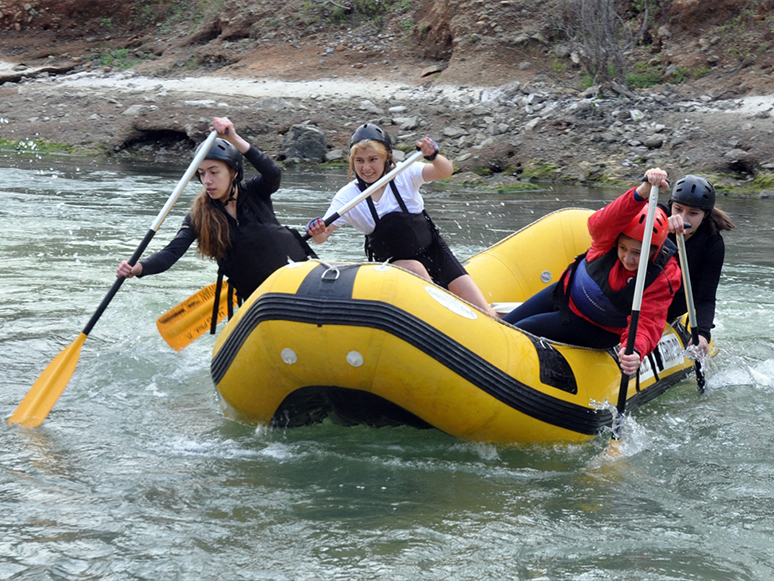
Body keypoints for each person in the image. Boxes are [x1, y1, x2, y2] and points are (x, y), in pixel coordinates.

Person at [502, 168, 682, 375]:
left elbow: (649, 320)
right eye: (623, 248)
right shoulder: (606, 239)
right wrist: (642, 191)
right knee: (504, 327)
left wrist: (635, 350)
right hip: (564, 295)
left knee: (525, 328)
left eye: (637, 253)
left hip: (597, 328)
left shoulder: (663, 274)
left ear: (654, 250)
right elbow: (604, 220)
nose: (628, 258)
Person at [117, 116, 316, 304]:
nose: (207, 181)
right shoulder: (199, 215)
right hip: (255, 300)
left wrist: (233, 138)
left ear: (234, 172)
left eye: (214, 172)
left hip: (289, 282)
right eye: (202, 174)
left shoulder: (255, 192)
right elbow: (171, 253)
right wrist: (138, 268)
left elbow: (273, 172)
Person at [306, 123, 496, 316]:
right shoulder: (348, 197)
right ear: (352, 162)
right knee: (415, 267)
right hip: (393, 266)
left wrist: (434, 156)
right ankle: (442, 314)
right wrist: (318, 231)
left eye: (373, 159)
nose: (366, 168)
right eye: (359, 161)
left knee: (485, 313)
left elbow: (445, 171)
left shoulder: (404, 174)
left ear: (386, 158)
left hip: (435, 252)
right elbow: (322, 237)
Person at [664, 175, 735, 356]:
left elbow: (706, 297)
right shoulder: (655, 220)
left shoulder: (713, 243)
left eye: (693, 213)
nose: (683, 218)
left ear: (705, 215)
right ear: (670, 204)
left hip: (678, 301)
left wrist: (703, 334)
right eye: (677, 209)